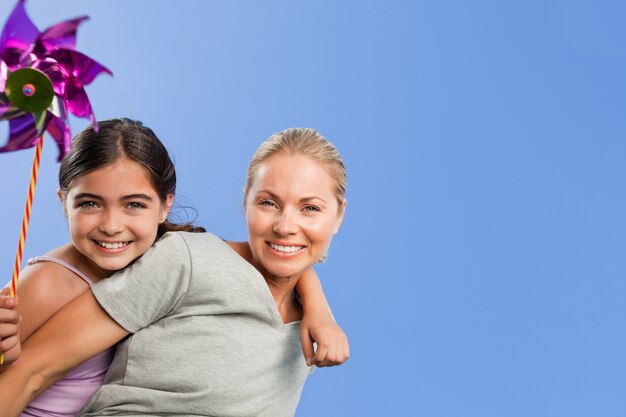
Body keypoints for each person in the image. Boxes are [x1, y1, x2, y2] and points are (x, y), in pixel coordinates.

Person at [0, 120, 348, 417]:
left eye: (310, 208)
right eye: (268, 203)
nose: (285, 226)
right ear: (246, 201)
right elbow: (31, 371)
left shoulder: (309, 327)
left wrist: (319, 308)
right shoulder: (180, 260)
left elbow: (282, 267)